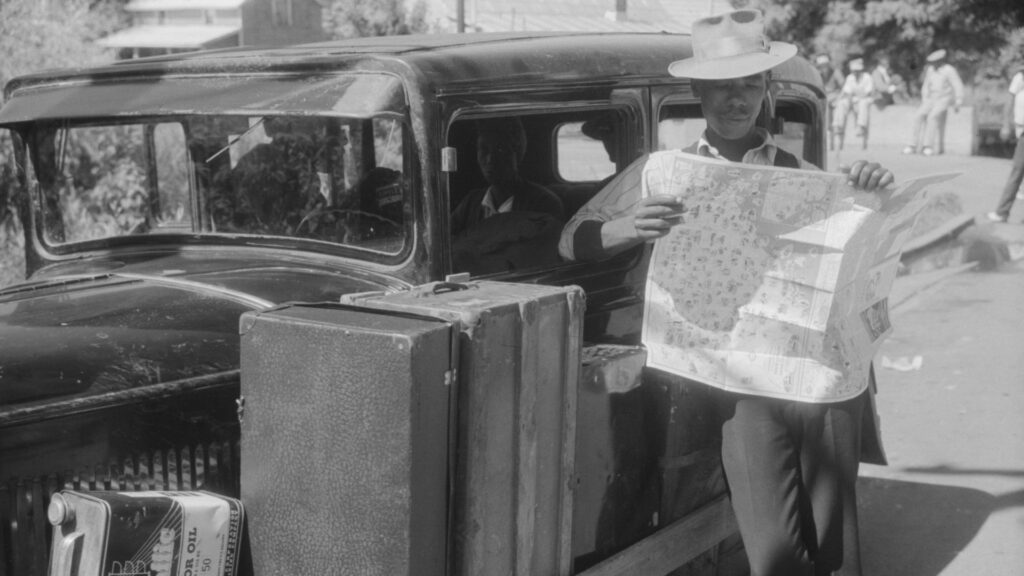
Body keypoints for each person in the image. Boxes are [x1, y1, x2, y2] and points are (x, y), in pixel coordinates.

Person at [558, 9, 894, 576]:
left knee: (837, 544)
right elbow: (570, 242)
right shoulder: (664, 172)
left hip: (818, 377)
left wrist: (871, 193)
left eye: (748, 86)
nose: (736, 101)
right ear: (698, 92)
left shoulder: (800, 172)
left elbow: (854, 260)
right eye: (721, 88)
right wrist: (624, 228)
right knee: (776, 553)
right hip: (738, 384)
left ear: (766, 90)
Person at [451, 117, 565, 273]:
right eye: (484, 150)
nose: (490, 159)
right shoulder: (471, 201)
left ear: (517, 153)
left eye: (500, 150)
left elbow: (533, 260)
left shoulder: (544, 202)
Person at [903, 49, 964, 156]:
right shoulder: (930, 70)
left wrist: (958, 99)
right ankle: (912, 145)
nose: (934, 64)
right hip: (931, 98)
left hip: (943, 98)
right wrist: (925, 98)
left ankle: (928, 146)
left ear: (941, 61)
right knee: (918, 116)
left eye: (936, 61)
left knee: (933, 116)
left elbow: (957, 84)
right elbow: (926, 85)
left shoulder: (949, 70)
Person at [987, 65, 1024, 223]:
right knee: (1017, 170)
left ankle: (1002, 212)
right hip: (1021, 129)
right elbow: (1010, 101)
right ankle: (1002, 212)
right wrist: (1005, 124)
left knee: (1017, 171)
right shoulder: (1020, 77)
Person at [833, 57, 875, 150]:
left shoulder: (867, 77)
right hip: (853, 99)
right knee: (841, 103)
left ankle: (861, 126)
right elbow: (846, 92)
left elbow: (867, 92)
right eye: (854, 71)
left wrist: (856, 98)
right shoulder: (850, 78)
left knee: (863, 104)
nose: (855, 72)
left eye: (857, 70)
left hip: (864, 99)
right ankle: (838, 125)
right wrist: (840, 99)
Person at [814, 54, 846, 150]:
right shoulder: (816, 74)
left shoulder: (836, 72)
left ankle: (838, 143)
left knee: (839, 113)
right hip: (824, 98)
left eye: (825, 65)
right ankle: (829, 145)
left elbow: (844, 87)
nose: (824, 68)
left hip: (836, 97)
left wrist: (838, 97)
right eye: (822, 66)